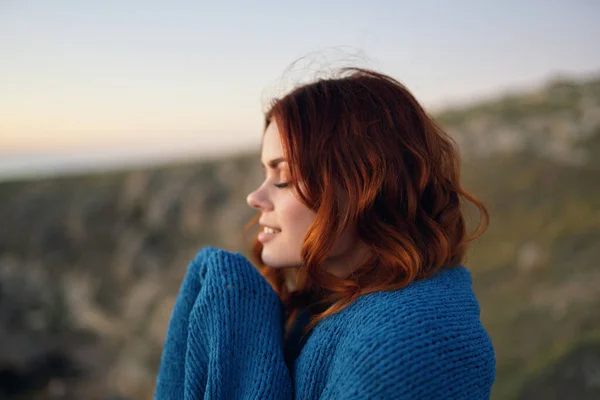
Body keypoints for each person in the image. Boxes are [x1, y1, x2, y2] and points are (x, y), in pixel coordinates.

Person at [154, 67, 496, 399]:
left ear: (366, 185)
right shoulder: (324, 308)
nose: (255, 198)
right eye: (264, 173)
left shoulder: (404, 346)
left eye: (283, 176)